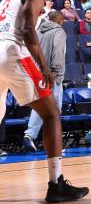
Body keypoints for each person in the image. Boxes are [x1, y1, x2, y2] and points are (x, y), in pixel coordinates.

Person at [0, 0, 88, 203]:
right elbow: (27, 28)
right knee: (51, 114)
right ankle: (56, 184)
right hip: (12, 51)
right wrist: (42, 64)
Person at [23, 11, 67, 151]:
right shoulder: (59, 31)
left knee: (43, 106)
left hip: (38, 73)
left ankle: (33, 137)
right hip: (52, 74)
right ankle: (39, 138)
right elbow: (58, 52)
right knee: (54, 110)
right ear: (59, 20)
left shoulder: (39, 31)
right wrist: (56, 73)